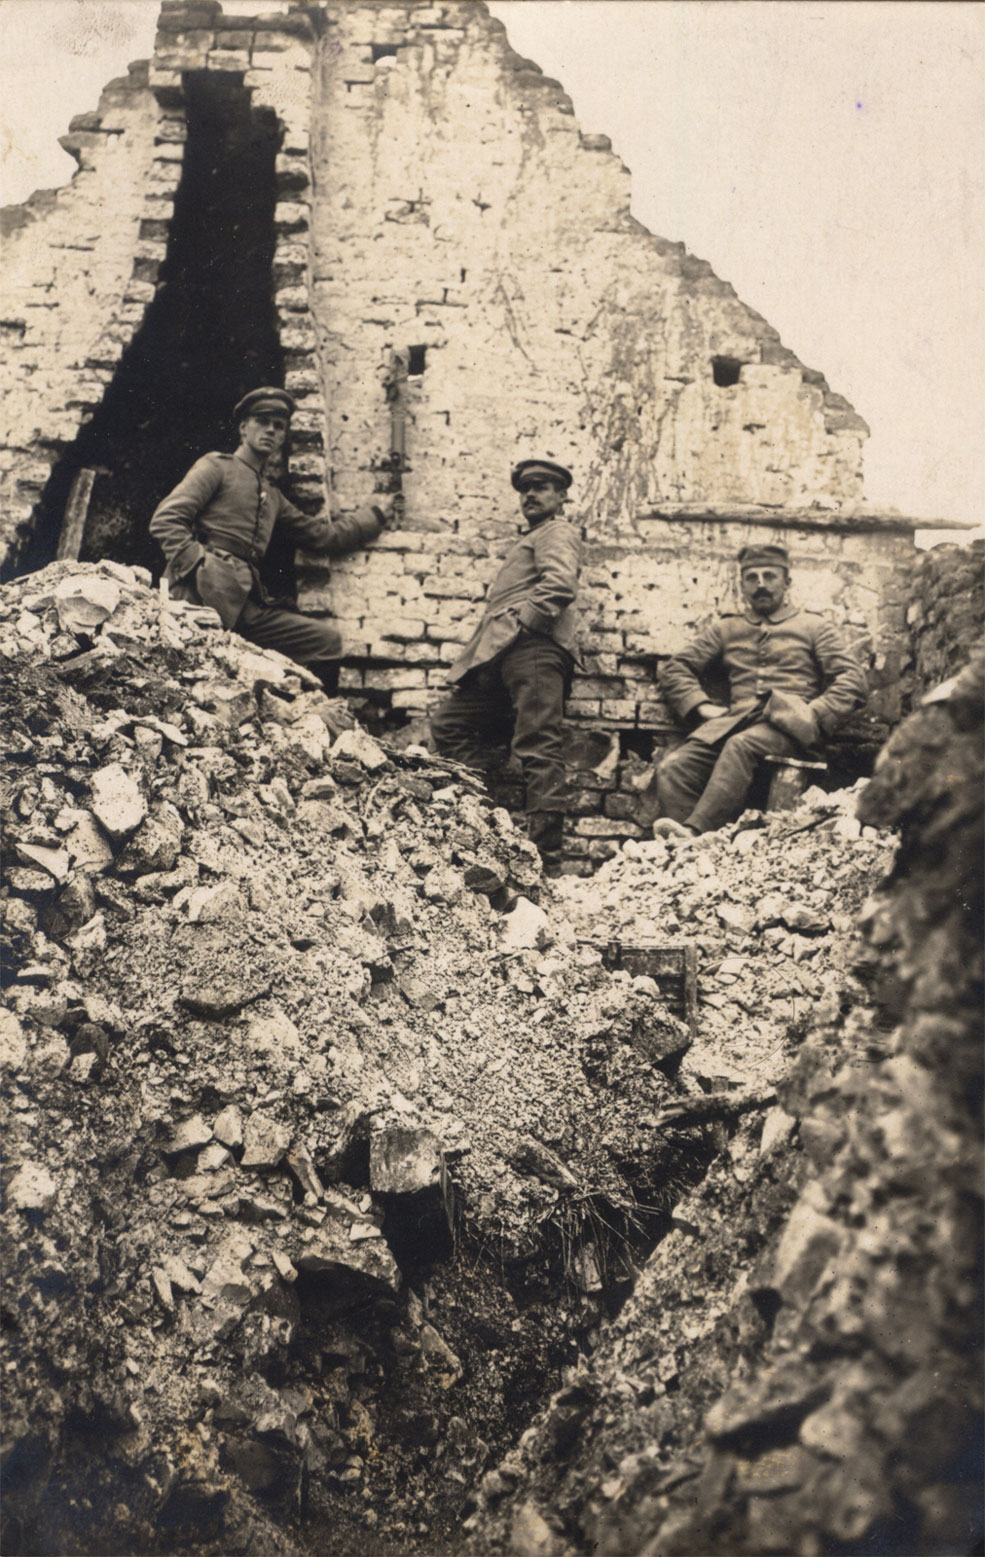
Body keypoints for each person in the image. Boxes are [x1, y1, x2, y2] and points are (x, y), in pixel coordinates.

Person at [149, 387, 389, 692]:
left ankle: (318, 720)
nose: (271, 430)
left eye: (279, 426)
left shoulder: (272, 496)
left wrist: (376, 516)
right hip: (198, 598)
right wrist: (199, 566)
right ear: (243, 428)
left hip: (246, 604)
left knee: (326, 641)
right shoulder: (217, 466)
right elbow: (166, 519)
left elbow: (321, 534)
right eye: (262, 421)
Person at [429, 459, 581, 875]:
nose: (531, 494)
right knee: (450, 725)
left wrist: (522, 623)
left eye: (542, 487)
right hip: (502, 656)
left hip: (534, 649)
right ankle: (488, 831)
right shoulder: (534, 537)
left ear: (562, 495)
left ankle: (546, 862)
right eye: (525, 488)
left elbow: (560, 584)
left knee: (538, 743)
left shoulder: (558, 531)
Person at [654, 543, 867, 836]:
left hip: (788, 730)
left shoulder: (814, 627)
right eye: (752, 578)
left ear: (787, 582)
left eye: (770, 576)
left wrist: (811, 714)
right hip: (731, 724)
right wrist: (702, 707)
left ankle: (692, 834)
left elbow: (852, 678)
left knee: (741, 745)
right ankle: (688, 845)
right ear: (742, 585)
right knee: (674, 767)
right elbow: (676, 668)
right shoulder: (727, 629)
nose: (761, 585)